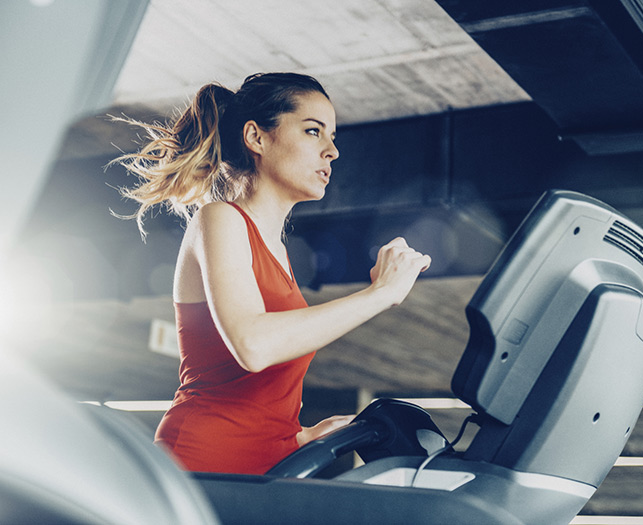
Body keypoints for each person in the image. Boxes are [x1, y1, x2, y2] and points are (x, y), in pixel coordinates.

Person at [111, 72, 431, 475]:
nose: (332, 151)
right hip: (205, 457)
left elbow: (260, 395)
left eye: (333, 137)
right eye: (314, 132)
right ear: (257, 137)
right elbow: (253, 346)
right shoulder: (220, 219)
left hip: (269, 461)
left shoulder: (276, 249)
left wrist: (299, 435)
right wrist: (380, 293)